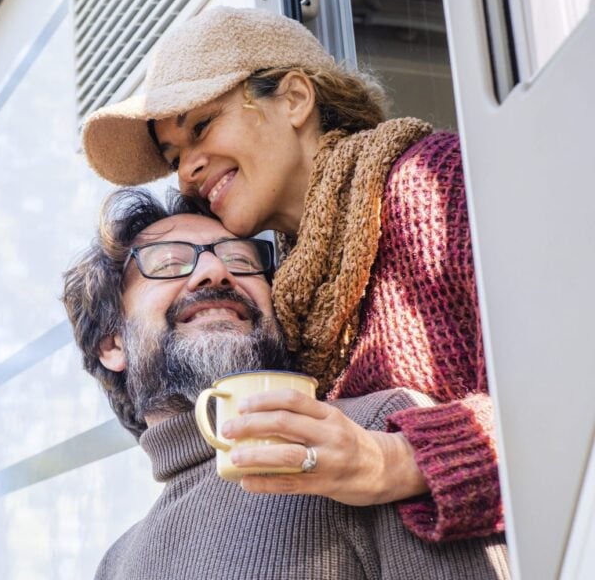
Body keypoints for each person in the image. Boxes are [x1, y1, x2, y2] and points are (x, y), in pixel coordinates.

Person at [80, 6, 499, 543]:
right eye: (174, 156)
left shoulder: (435, 185)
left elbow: (566, 395)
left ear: (296, 98)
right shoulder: (290, 298)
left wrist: (393, 462)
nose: (185, 173)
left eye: (201, 127)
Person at [61, 188, 508, 579]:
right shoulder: (114, 565)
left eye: (241, 260)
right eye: (169, 262)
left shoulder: (377, 434)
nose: (215, 272)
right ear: (111, 344)